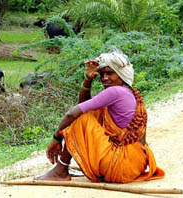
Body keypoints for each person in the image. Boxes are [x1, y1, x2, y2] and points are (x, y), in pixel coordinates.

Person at [36, 49, 165, 183]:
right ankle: (61, 169)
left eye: (110, 73)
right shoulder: (131, 93)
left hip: (121, 166)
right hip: (136, 165)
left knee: (78, 118)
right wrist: (88, 79)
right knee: (89, 113)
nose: (104, 78)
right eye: (102, 74)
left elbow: (72, 114)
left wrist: (56, 139)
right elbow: (84, 105)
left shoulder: (115, 92)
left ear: (121, 74)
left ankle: (60, 170)